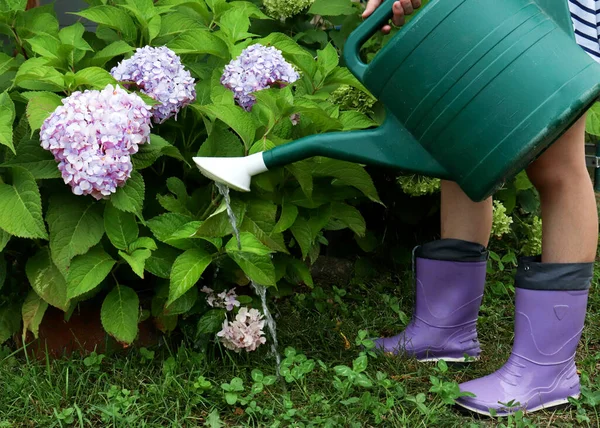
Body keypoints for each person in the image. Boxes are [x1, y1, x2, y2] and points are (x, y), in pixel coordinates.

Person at [363, 0, 598, 416]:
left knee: (556, 167)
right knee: (464, 142)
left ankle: (548, 369)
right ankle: (445, 330)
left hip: (551, 10)